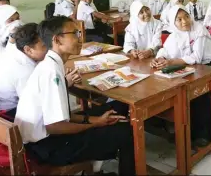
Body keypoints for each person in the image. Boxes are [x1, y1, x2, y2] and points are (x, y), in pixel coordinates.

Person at [14, 16, 136, 176]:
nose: (80, 38)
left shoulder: (51, 64)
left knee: (117, 108)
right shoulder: (51, 73)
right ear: (57, 40)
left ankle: (101, 158)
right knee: (125, 132)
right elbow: (55, 126)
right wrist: (95, 124)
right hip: (48, 146)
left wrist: (94, 120)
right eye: (75, 33)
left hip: (48, 135)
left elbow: (61, 116)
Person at [151, 5, 211, 147]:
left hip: (209, 65)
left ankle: (201, 134)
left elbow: (197, 57)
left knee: (199, 94)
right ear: (173, 23)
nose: (184, 22)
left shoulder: (199, 29)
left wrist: (170, 61)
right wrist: (160, 58)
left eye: (186, 17)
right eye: (179, 19)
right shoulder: (174, 34)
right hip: (188, 67)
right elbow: (165, 50)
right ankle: (179, 129)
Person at [0, 23, 48, 116]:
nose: (49, 48)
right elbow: (35, 103)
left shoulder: (15, 51)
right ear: (28, 50)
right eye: (44, 46)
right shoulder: (25, 71)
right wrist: (64, 84)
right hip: (4, 113)